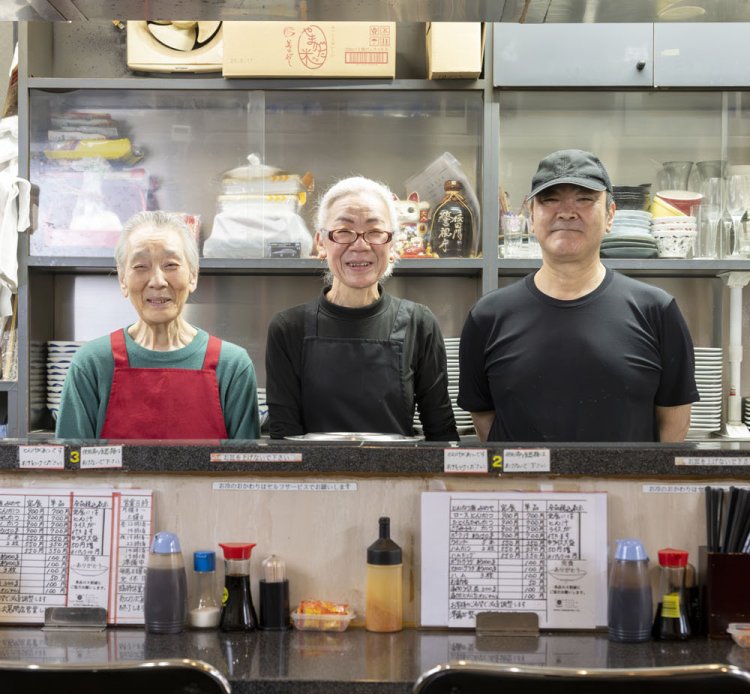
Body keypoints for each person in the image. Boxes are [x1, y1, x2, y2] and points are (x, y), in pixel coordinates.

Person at [458, 149, 699, 442]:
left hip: (623, 488)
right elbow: (485, 420)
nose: (566, 211)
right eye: (550, 199)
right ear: (531, 216)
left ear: (610, 215)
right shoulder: (487, 316)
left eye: (585, 199)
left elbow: (674, 423)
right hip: (523, 488)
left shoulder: (656, 310)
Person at [265, 176, 459, 440]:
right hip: (314, 479)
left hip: (399, 477)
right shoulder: (289, 328)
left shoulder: (419, 323)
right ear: (321, 243)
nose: (360, 245)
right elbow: (283, 437)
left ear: (392, 245)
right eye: (343, 231)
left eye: (375, 232)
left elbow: (442, 434)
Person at [56, 210, 259, 440]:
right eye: (141, 266)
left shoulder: (232, 367)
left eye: (171, 265)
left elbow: (243, 470)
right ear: (123, 279)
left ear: (193, 275)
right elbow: (70, 471)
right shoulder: (91, 365)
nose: (157, 281)